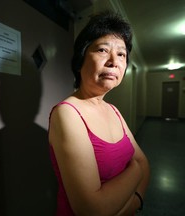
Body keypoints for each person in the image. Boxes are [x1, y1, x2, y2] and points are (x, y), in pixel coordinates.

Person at [48, 11, 150, 216]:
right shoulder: (67, 113)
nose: (114, 61)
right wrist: (135, 171)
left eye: (121, 54)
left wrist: (136, 200)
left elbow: (144, 162)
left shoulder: (113, 110)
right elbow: (93, 210)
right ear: (80, 59)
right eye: (103, 50)